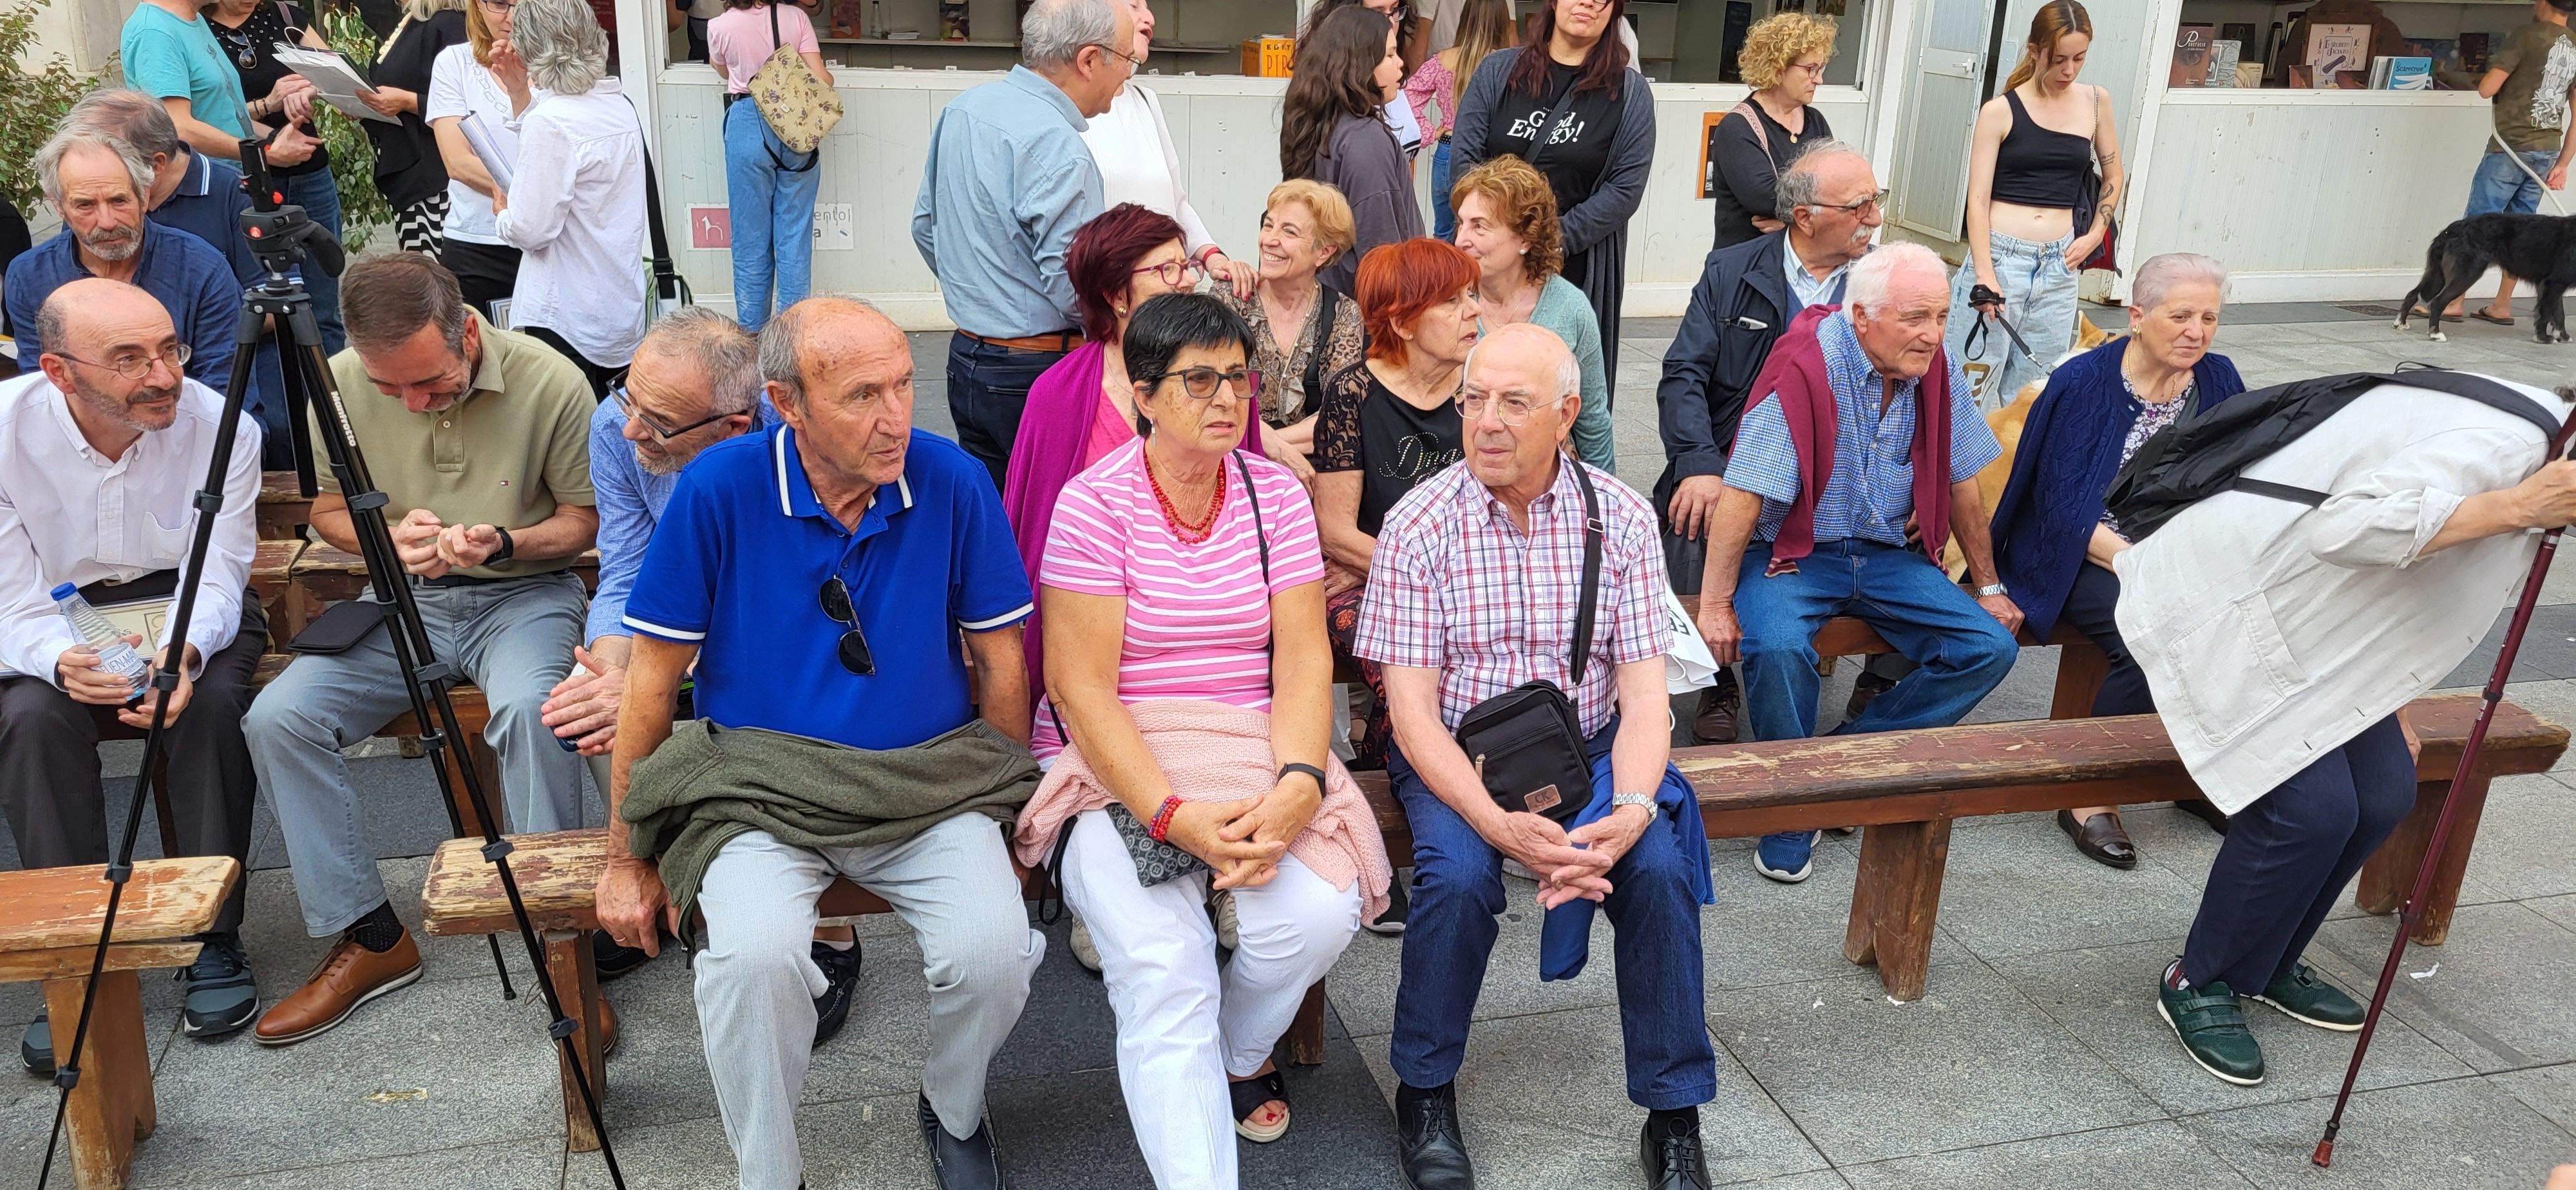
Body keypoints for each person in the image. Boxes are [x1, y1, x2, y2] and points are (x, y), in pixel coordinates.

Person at [594, 297, 1045, 1190]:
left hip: (927, 787)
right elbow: (651, 685)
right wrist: (623, 857)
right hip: (756, 793)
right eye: (862, 394)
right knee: (752, 959)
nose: (895, 417)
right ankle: (770, 1174)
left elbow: (1001, 663)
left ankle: (952, 1109)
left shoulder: (951, 481)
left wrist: (1004, 813)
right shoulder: (718, 489)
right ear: (786, 404)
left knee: (995, 951)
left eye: (904, 386)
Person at [1013, 292, 1385, 1184]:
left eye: (1240, 377)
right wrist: (1171, 813)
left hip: (1248, 745)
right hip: (1120, 764)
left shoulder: (1272, 497)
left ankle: (1234, 1049)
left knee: (1313, 916)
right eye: (1200, 380)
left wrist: (1300, 783)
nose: (1228, 398)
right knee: (1163, 966)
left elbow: (1301, 659)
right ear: (1143, 395)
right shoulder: (1095, 504)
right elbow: (1080, 690)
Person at [2125, 372, 2576, 1087]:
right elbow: (2346, 526)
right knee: (2306, 810)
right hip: (2237, 598)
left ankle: (2264, 962)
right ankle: (2199, 978)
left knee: (2386, 792)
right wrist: (2516, 506)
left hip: (2324, 634)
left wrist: (2386, 699)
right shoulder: (2508, 445)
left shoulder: (2549, 443)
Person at [1358, 321, 1716, 1190]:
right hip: (1459, 754)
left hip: (1589, 743)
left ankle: (1673, 1115)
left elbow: (1642, 700)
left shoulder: (1620, 517)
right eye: (1473, 399)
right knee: (1458, 876)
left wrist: (1631, 812)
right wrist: (1497, 826)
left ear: (1567, 414)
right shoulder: (1419, 523)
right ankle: (1426, 1088)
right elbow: (1409, 713)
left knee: (1658, 870)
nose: (1485, 421)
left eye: (1513, 403)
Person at [245, 253, 597, 1046]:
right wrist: (382, 536)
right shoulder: (334, 378)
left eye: (429, 383)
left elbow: (586, 522)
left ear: (467, 332)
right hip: (400, 601)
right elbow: (328, 511)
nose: (410, 401)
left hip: (526, 595)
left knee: (536, 713)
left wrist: (502, 539)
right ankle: (370, 937)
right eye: (389, 387)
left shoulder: (550, 380)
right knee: (278, 718)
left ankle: (559, 937)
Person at [534, 305, 871, 1022]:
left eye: (655, 422)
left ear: (737, 425)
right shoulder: (617, 424)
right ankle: (653, 876)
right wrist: (611, 668)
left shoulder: (804, 446)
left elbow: (799, 603)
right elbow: (625, 570)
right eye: (630, 399)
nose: (629, 429)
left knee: (766, 720)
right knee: (594, 710)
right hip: (674, 621)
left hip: (785, 642)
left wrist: (659, 672)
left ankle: (829, 925)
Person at [1693, 243, 2022, 886]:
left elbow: (1960, 481)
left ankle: (1843, 757)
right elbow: (1742, 494)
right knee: (1779, 646)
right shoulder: (1806, 365)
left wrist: (1988, 585)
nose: (1932, 334)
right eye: (1916, 318)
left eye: (1940, 316)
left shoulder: (1934, 367)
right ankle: (1792, 808)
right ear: (1863, 315)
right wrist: (1712, 605)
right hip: (1793, 552)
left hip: (1884, 555)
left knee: (1988, 646)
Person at [1, 279, 267, 1070]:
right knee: (29, 720)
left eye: (168, 349)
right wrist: (58, 659)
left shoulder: (224, 428)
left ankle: (208, 934)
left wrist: (181, 651)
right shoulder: (4, 432)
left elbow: (220, 573)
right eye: (129, 359)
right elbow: (9, 597)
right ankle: (74, 953)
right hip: (53, 616)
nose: (162, 375)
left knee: (211, 704)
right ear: (58, 370)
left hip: (186, 609)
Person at [1989, 252, 2244, 869]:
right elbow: (2061, 508)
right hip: (2070, 552)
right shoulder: (2084, 384)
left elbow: (2241, 471)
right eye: (2180, 316)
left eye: (2208, 318)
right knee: (2147, 632)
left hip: (2168, 549)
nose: (2196, 332)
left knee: (2238, 628)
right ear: (2137, 316)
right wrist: (2144, 563)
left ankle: (2193, 778)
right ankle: (2090, 791)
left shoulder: (2218, 378)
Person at [1656, 142, 1880, 748]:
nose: (1876, 219)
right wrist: (1699, 465)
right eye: (1861, 206)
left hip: (1848, 473)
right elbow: (1683, 375)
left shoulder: (1885, 282)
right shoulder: (1732, 270)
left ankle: (1877, 691)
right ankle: (1719, 678)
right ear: (1805, 216)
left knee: (1916, 532)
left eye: (1876, 202)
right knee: (1689, 509)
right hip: (1736, 460)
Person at [1004, 203, 1253, 725]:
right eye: (1167, 270)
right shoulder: (1059, 395)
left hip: (1207, 636)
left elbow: (1248, 508)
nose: (1187, 281)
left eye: (1186, 265)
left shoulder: (1223, 387)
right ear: (1116, 295)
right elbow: (1029, 531)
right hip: (1092, 635)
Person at [913, 0, 1133, 489]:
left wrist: (982, 292)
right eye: (1127, 60)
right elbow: (1075, 288)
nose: (1128, 75)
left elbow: (926, 227)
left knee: (993, 524)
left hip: (966, 357)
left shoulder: (965, 108)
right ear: (1090, 60)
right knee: (1050, 533)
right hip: (1035, 370)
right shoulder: (1058, 146)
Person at [1313, 238, 1478, 773]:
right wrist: (1431, 578)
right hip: (1369, 577)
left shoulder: (1485, 388)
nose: (1473, 310)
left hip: (1473, 577)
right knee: (1412, 667)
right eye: (1452, 301)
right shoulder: (1354, 392)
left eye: (1471, 295)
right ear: (1403, 323)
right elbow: (1336, 531)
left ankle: (1382, 779)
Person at [64, 88, 295, 463]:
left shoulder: (232, 194)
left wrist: (181, 334)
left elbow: (282, 298)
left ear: (154, 165)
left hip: (234, 360)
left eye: (110, 164)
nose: (102, 213)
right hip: (120, 377)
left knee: (276, 436)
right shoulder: (95, 204)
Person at [1451, 0, 1654, 404]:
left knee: (1566, 393)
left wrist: (1545, 241)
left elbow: (1624, 189)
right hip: (1487, 266)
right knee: (1472, 387)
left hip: (1574, 264)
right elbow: (1464, 164)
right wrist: (1502, 238)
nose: (1589, 2)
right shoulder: (1498, 72)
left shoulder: (1630, 94)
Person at [1948, 0, 2122, 411]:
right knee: (1973, 386)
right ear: (2034, 50)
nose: (2069, 70)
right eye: (2058, 59)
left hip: (2060, 263)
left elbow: (2114, 177)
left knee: (2037, 389)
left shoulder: (2097, 102)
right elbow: (1977, 198)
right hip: (2000, 257)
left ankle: (2015, 474)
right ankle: (1965, 475)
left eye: (2079, 58)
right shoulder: (1999, 111)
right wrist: (1985, 274)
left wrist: (2095, 234)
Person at [489, 0, 646, 399]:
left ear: (527, 50)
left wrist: (504, 215)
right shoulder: (618, 105)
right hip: (618, 305)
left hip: (565, 315)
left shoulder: (552, 120)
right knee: (613, 436)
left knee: (566, 445)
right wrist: (521, 94)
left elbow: (531, 229)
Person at [6, 128, 238, 394]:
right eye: (85, 205)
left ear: (144, 196)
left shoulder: (201, 268)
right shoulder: (30, 276)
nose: (107, 222)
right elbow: (43, 389)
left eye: (119, 201)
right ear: (59, 207)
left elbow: (226, 395)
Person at [1081, 0, 1256, 302]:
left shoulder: (1146, 100)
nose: (1149, 18)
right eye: (1134, 6)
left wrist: (1211, 255)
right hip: (1113, 297)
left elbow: (1177, 203)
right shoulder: (1074, 109)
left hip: (1163, 291)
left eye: (1147, 8)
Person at [202, 0, 348, 355]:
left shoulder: (283, 16)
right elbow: (208, 113)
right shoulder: (197, 29)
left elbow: (337, 75)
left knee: (323, 299)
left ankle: (331, 396)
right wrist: (269, 103)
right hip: (249, 177)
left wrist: (310, 89)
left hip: (308, 172)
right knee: (265, 299)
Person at [1450, 156, 1611, 468]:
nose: (1461, 240)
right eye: (1461, 224)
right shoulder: (1447, 304)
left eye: (1479, 227)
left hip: (1546, 485)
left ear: (1525, 238)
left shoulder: (1569, 309)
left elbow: (1593, 421)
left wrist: (1600, 505)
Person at [1216, 179, 1367, 475]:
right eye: (1268, 225)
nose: (1270, 240)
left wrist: (1271, 445)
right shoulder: (1231, 298)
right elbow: (1213, 391)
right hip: (1230, 463)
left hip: (1306, 470)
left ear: (1323, 252)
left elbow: (1338, 414)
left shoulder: (1343, 313)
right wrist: (1269, 449)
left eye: (1289, 231)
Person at [2449, 0, 2576, 325]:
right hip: (2546, 151)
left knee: (2480, 224)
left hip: (2510, 147)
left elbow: (2487, 88)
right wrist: (2564, 162)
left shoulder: (2525, 35)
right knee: (2523, 231)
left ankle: (2453, 302)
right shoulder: (2574, 44)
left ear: (2542, 2)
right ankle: (2502, 306)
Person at [1281, 6, 1420, 298]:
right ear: (1360, 64)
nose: (1401, 65)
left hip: (1320, 303)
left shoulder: (1313, 126)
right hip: (1367, 319)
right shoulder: (1365, 140)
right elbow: (1382, 255)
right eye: (1391, 55)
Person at [710, 0, 831, 334]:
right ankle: (791, 340)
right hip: (794, 126)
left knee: (750, 237)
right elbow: (822, 79)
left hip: (747, 120)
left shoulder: (720, 26)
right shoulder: (796, 18)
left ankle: (752, 337)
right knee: (794, 236)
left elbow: (724, 70)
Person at [117, 0, 326, 181]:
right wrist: (263, 153)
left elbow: (223, 114)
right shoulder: (155, 32)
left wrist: (273, 138)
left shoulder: (193, 19)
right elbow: (178, 128)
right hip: (199, 189)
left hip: (231, 180)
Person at [426, 0, 534, 317]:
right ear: (477, 6)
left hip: (552, 242)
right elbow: (457, 162)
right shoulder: (454, 63)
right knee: (479, 357)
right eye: (499, 3)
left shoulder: (558, 66)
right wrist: (533, 195)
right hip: (479, 245)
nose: (512, 15)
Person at [1705, 11, 1837, 252]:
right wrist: (1819, 212)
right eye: (1811, 69)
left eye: (1821, 68)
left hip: (1801, 268)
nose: (1819, 79)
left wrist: (1791, 226)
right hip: (1747, 269)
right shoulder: (1737, 128)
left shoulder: (1815, 121)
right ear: (1778, 69)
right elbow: (1767, 200)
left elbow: (1837, 185)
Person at [358, 0, 469, 256]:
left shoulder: (451, 24)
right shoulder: (415, 21)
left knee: (434, 283)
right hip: (413, 179)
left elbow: (468, 106)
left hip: (436, 182)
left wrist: (406, 102)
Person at [1402, 0, 1511, 242]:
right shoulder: (1509, 66)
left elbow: (1405, 99)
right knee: (1488, 238)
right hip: (1492, 158)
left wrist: (1431, 131)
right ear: (1502, 22)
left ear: (1465, 19)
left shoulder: (1443, 60)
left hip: (1448, 151)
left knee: (1444, 235)